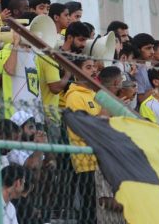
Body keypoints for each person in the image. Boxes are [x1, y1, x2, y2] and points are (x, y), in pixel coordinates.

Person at [65, 57, 104, 224]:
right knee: (89, 209)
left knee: (100, 209)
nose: (94, 70)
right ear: (76, 72)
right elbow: (82, 127)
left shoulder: (94, 94)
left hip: (100, 159)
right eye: (88, 67)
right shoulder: (74, 97)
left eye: (94, 66)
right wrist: (103, 115)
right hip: (86, 160)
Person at [0, 25, 41, 120]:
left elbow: (35, 87)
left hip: (32, 114)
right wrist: (10, 76)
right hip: (12, 114)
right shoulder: (1, 55)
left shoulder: (34, 56)